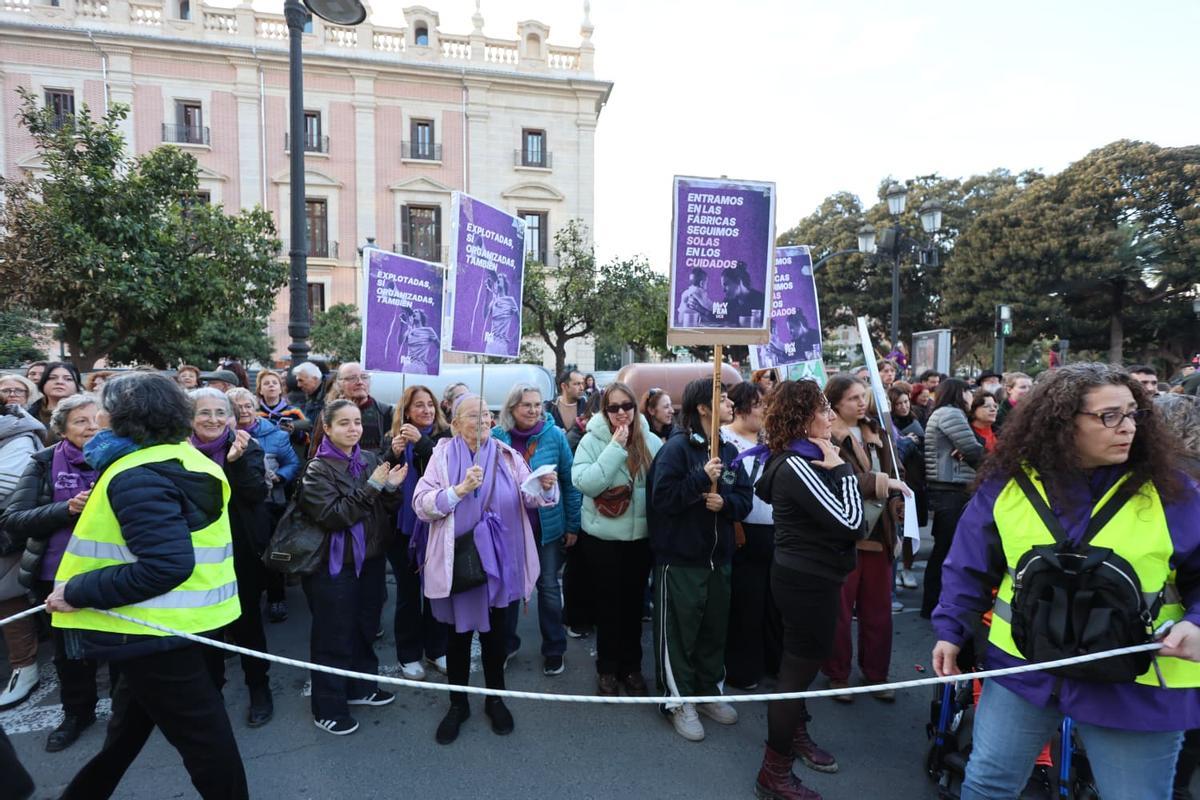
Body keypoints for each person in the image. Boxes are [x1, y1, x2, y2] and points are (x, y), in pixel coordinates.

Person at [931, 363, 1200, 800]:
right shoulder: (1008, 486)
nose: (1128, 426)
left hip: (1134, 686)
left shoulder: (1175, 494)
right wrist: (950, 630)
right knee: (986, 786)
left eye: (1134, 413)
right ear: (1061, 423)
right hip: (1025, 669)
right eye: (1110, 416)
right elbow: (968, 565)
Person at [47, 372, 248, 799]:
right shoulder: (184, 457)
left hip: (154, 632)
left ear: (124, 417)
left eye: (102, 406)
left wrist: (77, 591)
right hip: (181, 622)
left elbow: (165, 566)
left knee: (206, 745)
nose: (95, 415)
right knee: (126, 732)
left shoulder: (137, 473)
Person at [413, 394, 557, 745]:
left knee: (497, 639)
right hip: (460, 565)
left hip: (502, 564)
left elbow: (531, 497)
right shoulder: (442, 455)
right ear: (456, 423)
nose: (483, 421)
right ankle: (457, 704)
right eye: (474, 416)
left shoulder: (508, 455)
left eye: (487, 415)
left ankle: (496, 700)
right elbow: (422, 504)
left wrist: (545, 487)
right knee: (458, 640)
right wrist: (459, 490)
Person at [753, 379, 867, 800]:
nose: (832, 415)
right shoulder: (800, 465)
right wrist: (842, 470)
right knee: (794, 676)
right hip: (808, 581)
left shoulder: (797, 458)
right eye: (823, 409)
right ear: (802, 419)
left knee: (795, 670)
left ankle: (795, 737)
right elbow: (851, 522)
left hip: (803, 576)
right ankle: (773, 772)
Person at [647, 378, 753, 741]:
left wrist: (727, 504)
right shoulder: (676, 449)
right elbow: (662, 501)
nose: (730, 404)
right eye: (722, 399)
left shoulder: (729, 448)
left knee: (713, 632)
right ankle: (678, 701)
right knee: (678, 634)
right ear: (703, 408)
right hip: (680, 560)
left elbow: (744, 497)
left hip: (719, 559)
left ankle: (708, 692)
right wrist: (698, 479)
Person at [298, 399, 407, 735]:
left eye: (357, 422)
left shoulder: (371, 459)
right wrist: (374, 486)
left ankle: (361, 687)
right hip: (334, 565)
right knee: (333, 634)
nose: (353, 429)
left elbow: (384, 509)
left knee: (364, 625)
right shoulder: (316, 470)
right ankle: (327, 706)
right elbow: (334, 516)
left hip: (370, 560)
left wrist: (389, 490)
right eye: (344, 423)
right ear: (327, 428)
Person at [4, 394, 103, 752]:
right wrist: (66, 509)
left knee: (124, 646)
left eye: (97, 419)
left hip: (113, 572)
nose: (92, 427)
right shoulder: (44, 463)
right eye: (81, 421)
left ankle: (131, 712)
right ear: (61, 429)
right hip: (58, 573)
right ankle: (78, 713)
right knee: (70, 653)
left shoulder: (122, 458)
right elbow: (13, 520)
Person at [188, 387, 275, 728]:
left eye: (219, 413)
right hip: (195, 557)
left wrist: (235, 464)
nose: (213, 420)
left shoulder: (246, 446)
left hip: (240, 551)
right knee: (207, 631)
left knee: (248, 623)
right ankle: (213, 695)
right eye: (204, 413)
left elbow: (256, 493)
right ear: (189, 418)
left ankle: (259, 687)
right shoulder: (178, 451)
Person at [572, 381, 663, 696]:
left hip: (640, 538)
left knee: (634, 605)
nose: (621, 412)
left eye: (627, 406)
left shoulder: (651, 441)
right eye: (614, 407)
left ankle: (632, 667)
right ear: (604, 411)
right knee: (608, 606)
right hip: (603, 539)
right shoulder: (592, 440)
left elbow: (660, 487)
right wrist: (614, 447)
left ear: (636, 408)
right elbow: (585, 483)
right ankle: (607, 669)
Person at [821, 375, 908, 702]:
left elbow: (897, 476)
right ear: (836, 402)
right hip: (844, 535)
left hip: (880, 534)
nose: (861, 403)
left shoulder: (879, 431)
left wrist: (898, 521)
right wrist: (884, 483)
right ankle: (838, 675)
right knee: (840, 612)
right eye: (853, 398)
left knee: (879, 612)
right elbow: (839, 480)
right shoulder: (825, 436)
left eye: (863, 397)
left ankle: (876, 675)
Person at [493, 383, 581, 675]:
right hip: (509, 529)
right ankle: (507, 644)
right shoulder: (496, 437)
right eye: (525, 405)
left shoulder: (554, 436)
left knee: (548, 589)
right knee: (509, 590)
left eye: (537, 404)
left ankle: (554, 648)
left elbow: (569, 483)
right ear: (512, 408)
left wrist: (572, 524)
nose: (533, 410)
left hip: (547, 529)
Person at [381, 385, 451, 681]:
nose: (426, 410)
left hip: (435, 525)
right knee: (409, 594)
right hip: (403, 530)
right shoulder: (393, 438)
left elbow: (446, 467)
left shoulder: (445, 439)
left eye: (430, 405)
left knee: (435, 590)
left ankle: (436, 649)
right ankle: (409, 654)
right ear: (406, 411)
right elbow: (382, 480)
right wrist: (392, 453)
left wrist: (421, 442)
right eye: (419, 405)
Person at [719, 382, 782, 691]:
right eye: (758, 405)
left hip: (774, 531)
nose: (763, 411)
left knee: (773, 602)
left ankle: (774, 662)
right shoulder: (725, 442)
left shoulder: (769, 441)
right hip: (743, 532)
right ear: (741, 407)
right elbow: (728, 486)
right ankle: (743, 668)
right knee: (747, 604)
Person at [920, 378, 982, 618]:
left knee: (943, 548)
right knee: (946, 550)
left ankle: (932, 603)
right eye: (968, 392)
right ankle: (935, 604)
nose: (971, 397)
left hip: (946, 487)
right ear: (959, 393)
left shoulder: (942, 413)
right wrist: (969, 452)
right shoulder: (952, 414)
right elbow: (974, 448)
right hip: (951, 488)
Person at [0, 400, 47, 711]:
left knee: (7, 598)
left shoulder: (18, 433)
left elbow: (9, 483)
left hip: (9, 533)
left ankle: (25, 668)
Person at [889, 383, 925, 590]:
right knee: (897, 529)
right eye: (898, 403)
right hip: (898, 481)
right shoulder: (888, 424)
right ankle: (895, 572)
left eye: (906, 402)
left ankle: (907, 569)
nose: (903, 407)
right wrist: (906, 442)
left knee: (911, 530)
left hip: (915, 480)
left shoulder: (915, 420)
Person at [335, 362, 393, 452]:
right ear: (340, 385)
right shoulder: (331, 412)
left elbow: (391, 452)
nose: (360, 382)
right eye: (352, 378)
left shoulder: (385, 412)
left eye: (364, 377)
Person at [29, 362, 81, 445]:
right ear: (43, 383)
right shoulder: (28, 414)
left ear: (77, 386)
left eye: (68, 379)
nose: (59, 382)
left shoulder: (91, 413)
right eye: (52, 378)